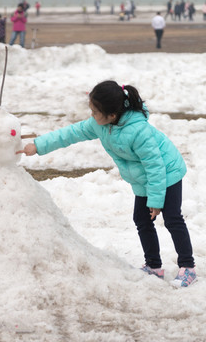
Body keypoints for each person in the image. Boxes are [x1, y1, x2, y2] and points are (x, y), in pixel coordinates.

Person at [17, 80, 197, 288]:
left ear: (112, 115)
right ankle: (154, 266)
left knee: (172, 218)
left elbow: (155, 166)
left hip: (167, 173)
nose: (91, 115)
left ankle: (188, 267)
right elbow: (70, 133)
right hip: (143, 177)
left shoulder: (138, 132)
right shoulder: (100, 125)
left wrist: (156, 201)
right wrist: (38, 146)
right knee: (141, 218)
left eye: (95, 112)